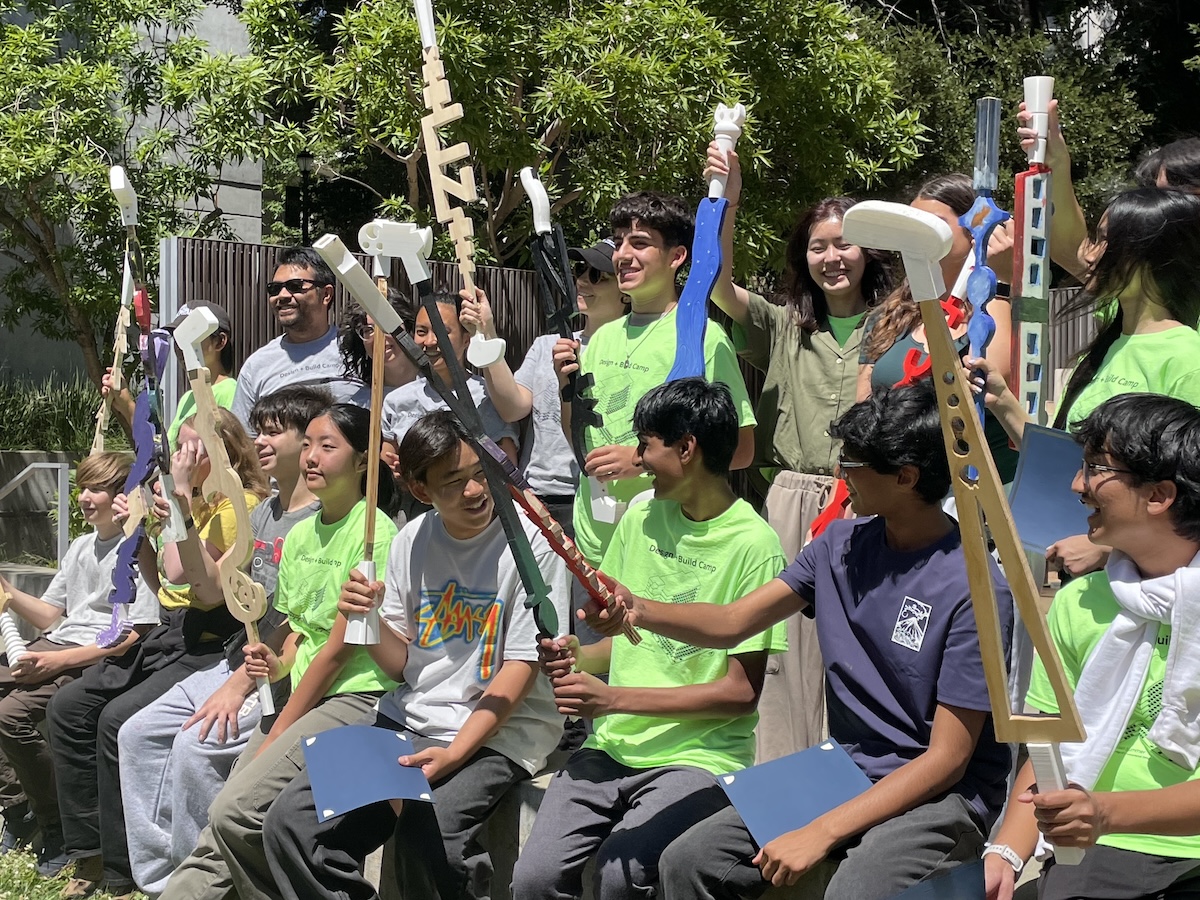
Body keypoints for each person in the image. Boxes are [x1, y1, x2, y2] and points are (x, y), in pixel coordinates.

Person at [591, 381, 1014, 900]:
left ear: (906, 477)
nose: (840, 475)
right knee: (688, 860)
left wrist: (822, 830)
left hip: (941, 794)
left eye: (854, 465)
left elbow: (947, 758)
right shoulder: (838, 544)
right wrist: (638, 608)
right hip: (845, 766)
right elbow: (733, 622)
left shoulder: (974, 587)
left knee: (850, 893)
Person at [261, 410, 571, 900]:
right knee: (292, 824)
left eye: (479, 474)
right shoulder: (412, 539)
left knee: (431, 835)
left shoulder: (532, 547)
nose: (475, 491)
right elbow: (403, 664)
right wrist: (368, 619)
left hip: (501, 732)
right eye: (453, 482)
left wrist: (454, 753)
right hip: (411, 719)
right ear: (421, 490)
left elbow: (519, 669)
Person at [512, 378, 787, 900]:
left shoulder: (756, 545)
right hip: (611, 748)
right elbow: (625, 641)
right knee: (534, 880)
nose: (637, 457)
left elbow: (739, 694)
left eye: (646, 444)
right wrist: (582, 656)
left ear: (686, 448)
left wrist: (613, 698)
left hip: (698, 760)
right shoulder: (640, 514)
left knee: (622, 875)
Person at [157, 403, 400, 900]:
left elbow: (336, 652)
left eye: (327, 446)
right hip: (299, 693)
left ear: (362, 462)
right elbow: (296, 633)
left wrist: (283, 723)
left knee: (236, 814)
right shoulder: (303, 532)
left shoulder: (376, 535)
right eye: (307, 444)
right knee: (222, 817)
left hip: (352, 698)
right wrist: (277, 663)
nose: (311, 457)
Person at [705, 140, 894, 762]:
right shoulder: (782, 323)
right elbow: (718, 280)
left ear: (869, 251)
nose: (832, 257)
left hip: (874, 502)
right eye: (818, 246)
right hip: (793, 498)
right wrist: (726, 198)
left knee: (861, 642)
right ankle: (781, 780)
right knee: (786, 651)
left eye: (844, 243)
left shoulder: (899, 322)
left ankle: (855, 773)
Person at [984, 393, 1200, 900]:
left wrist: (1103, 813)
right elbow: (1046, 748)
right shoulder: (1080, 601)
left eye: (1096, 469)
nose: (1077, 485)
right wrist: (1007, 852)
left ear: (1159, 495)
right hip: (1092, 851)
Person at [48, 409, 270, 899]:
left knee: (115, 722)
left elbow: (196, 585)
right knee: (70, 709)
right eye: (178, 449)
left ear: (223, 453)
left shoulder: (237, 505)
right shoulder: (195, 501)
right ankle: (89, 852)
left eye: (191, 450)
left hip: (210, 638)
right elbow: (163, 579)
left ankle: (124, 868)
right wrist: (142, 529)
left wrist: (179, 502)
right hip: (171, 631)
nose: (179, 459)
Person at [117, 386, 329, 896]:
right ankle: (164, 881)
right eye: (259, 429)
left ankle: (206, 884)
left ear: (309, 446)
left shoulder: (317, 519)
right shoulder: (259, 513)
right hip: (240, 657)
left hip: (270, 669)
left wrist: (237, 683)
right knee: (136, 734)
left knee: (194, 746)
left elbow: (298, 627)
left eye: (275, 430)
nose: (261, 440)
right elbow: (207, 585)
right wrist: (182, 509)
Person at [971, 187, 1200, 579]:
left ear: (1147, 252)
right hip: (1086, 580)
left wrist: (1108, 551)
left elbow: (1191, 496)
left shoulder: (1186, 358)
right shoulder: (1109, 342)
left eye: (1103, 240)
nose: (1088, 253)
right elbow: (1067, 462)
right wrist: (1002, 400)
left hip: (1150, 591)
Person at [555, 191, 757, 568]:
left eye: (641, 243)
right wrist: (566, 390)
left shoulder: (703, 339)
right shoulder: (600, 338)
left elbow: (741, 449)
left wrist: (640, 459)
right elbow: (581, 443)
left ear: (677, 257)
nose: (622, 255)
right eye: (619, 243)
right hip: (592, 549)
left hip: (663, 547)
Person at [0, 453, 160, 877]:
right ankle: (21, 812)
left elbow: (132, 634)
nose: (85, 497)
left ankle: (56, 825)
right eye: (83, 487)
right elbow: (52, 616)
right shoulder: (80, 546)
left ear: (124, 497)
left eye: (96, 489)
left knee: (8, 714)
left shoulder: (138, 550)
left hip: (90, 657)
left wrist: (56, 661)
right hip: (57, 644)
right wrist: (9, 594)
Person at [856, 173, 1018, 483]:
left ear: (976, 229)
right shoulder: (888, 316)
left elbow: (991, 378)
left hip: (982, 492)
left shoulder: (1006, 306)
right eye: (912, 221)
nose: (916, 232)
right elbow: (862, 408)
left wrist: (998, 281)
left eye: (933, 222)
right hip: (902, 492)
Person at [460, 237, 629, 528]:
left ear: (625, 291)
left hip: (599, 497)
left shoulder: (634, 354)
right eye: (580, 270)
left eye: (598, 275)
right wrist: (486, 331)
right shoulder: (548, 344)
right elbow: (513, 408)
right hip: (536, 493)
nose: (583, 281)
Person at [1015, 98, 1200, 279]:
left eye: (1173, 198)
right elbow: (1072, 251)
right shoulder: (1131, 284)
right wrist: (1056, 162)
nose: (1156, 210)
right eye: (1149, 195)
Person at [231, 247, 367, 428]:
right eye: (275, 289)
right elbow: (244, 442)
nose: (283, 296)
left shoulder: (358, 350)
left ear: (326, 294)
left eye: (295, 286)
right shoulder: (257, 366)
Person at [380, 291, 518, 469]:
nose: (429, 341)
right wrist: (397, 474)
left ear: (466, 339)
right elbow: (387, 463)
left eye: (442, 332)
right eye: (422, 332)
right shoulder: (396, 401)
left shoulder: (489, 398)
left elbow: (508, 471)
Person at [338, 286, 419, 407]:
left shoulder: (435, 391)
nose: (378, 337)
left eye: (386, 325)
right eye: (368, 330)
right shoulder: (359, 404)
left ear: (409, 328)